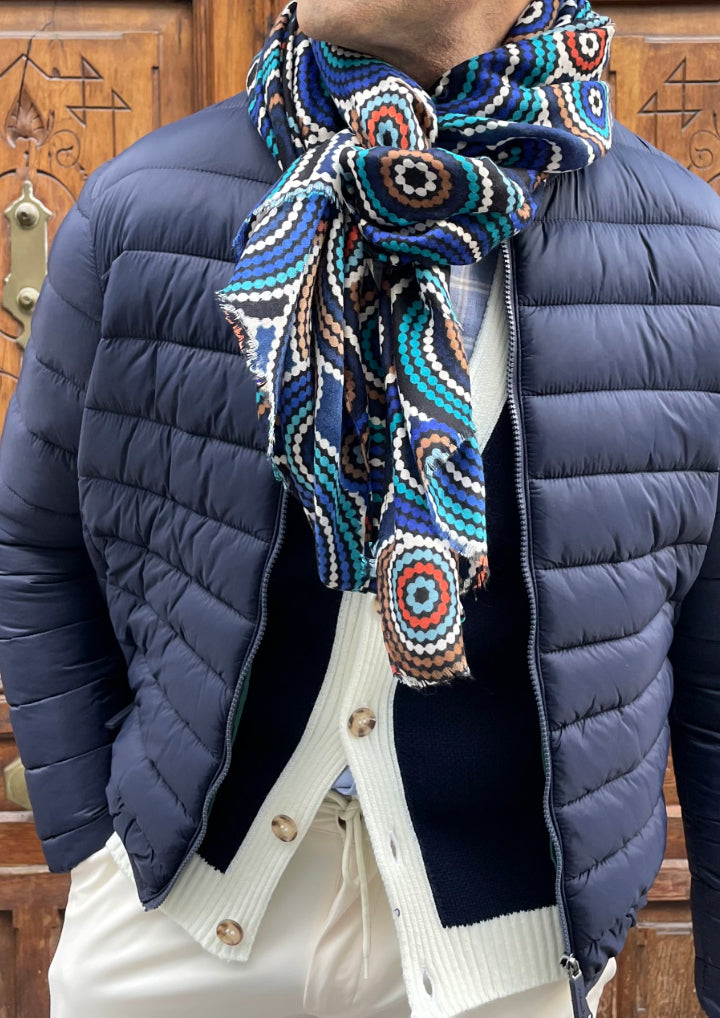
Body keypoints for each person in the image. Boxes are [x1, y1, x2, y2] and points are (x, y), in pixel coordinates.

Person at [1, 1, 719, 1017]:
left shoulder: (690, 254)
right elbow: (33, 540)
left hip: (510, 959)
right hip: (173, 921)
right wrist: (92, 837)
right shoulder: (139, 207)